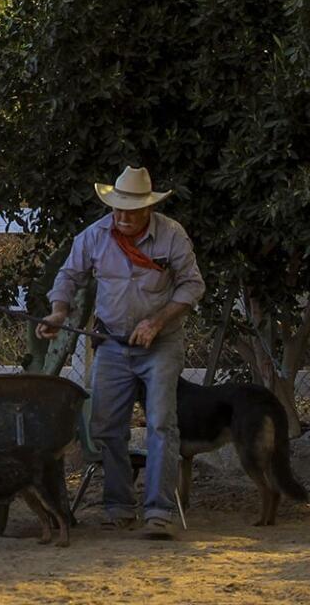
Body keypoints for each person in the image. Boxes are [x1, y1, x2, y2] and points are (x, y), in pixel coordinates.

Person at [35, 166, 205, 539]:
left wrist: (157, 322)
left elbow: (192, 287)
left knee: (161, 423)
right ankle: (118, 505)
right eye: (117, 209)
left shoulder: (172, 235)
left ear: (148, 209)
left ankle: (159, 511)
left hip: (160, 344)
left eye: (131, 210)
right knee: (106, 427)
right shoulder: (95, 236)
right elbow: (68, 276)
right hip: (111, 342)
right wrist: (59, 311)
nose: (123, 217)